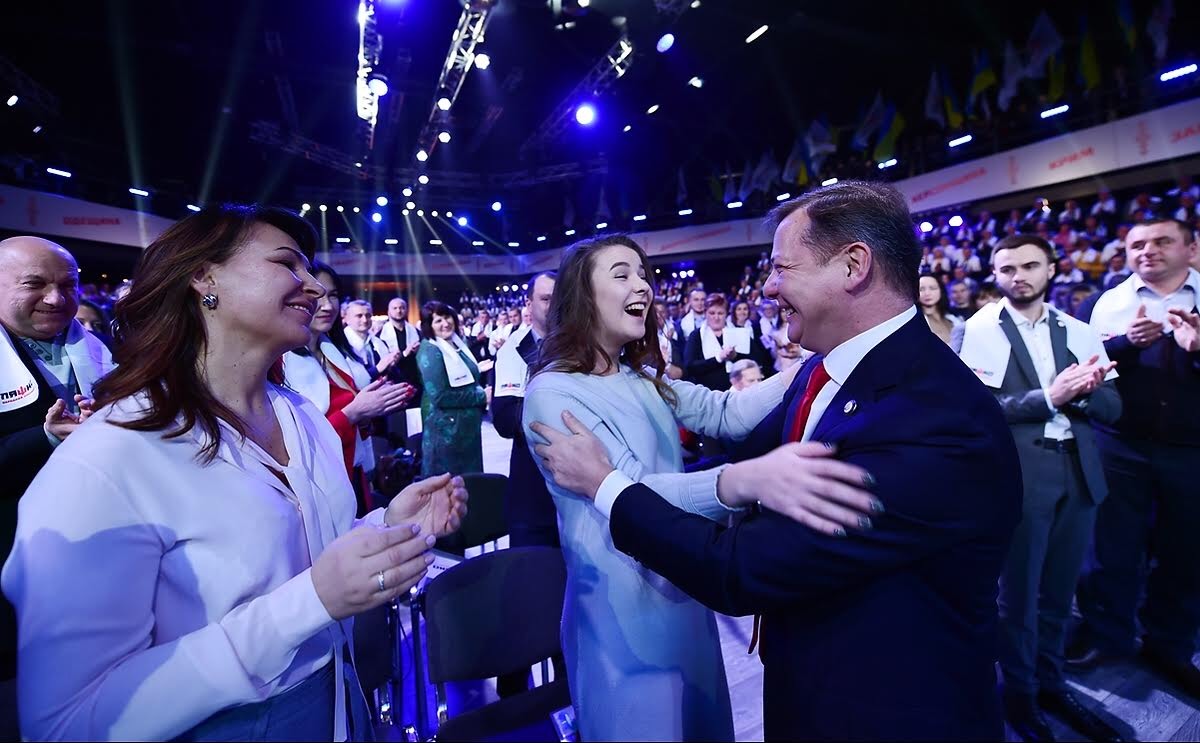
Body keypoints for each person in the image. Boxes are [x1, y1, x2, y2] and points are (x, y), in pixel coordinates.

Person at [529, 182, 1022, 740]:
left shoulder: (935, 419)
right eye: (623, 274)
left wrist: (621, 483)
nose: (767, 286)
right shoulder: (837, 370)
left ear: (853, 266)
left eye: (782, 267)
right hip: (647, 607)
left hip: (878, 710)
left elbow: (740, 544)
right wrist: (736, 479)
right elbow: (737, 455)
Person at [1, 205, 467, 741]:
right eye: (287, 264)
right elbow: (67, 721)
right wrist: (309, 604)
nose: (316, 288)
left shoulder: (301, 417)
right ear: (205, 278)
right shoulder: (109, 455)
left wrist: (386, 526)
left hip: (342, 704)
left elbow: (306, 557)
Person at [520, 234, 869, 741]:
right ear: (582, 295)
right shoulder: (552, 392)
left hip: (681, 583)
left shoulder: (638, 376)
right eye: (621, 275)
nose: (642, 285)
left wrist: (811, 366)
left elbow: (724, 412)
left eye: (643, 274)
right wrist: (743, 480)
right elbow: (632, 492)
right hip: (623, 613)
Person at [958, 234, 1124, 742]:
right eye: (1007, 269)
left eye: (1029, 265)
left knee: (1060, 593)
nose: (1019, 276)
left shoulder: (1078, 329)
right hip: (1022, 475)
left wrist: (1086, 393)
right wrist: (1048, 398)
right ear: (995, 274)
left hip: (1078, 469)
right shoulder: (976, 329)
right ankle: (1020, 694)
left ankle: (1051, 683)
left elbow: (1114, 409)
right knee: (1018, 598)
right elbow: (973, 413)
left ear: (1051, 268)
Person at [1069, 218, 1200, 700]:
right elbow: (1076, 368)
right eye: (1137, 243)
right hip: (1118, 446)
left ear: (1191, 248)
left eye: (1163, 240)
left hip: (1193, 451)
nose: (1148, 250)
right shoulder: (1099, 304)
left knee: (1186, 554)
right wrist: (1126, 343)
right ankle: (1107, 636)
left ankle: (1170, 646)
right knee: (1109, 548)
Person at [0, 236, 116, 737]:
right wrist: (43, 438)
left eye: (68, 285)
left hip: (101, 562)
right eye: (35, 284)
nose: (55, 298)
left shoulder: (101, 349)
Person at [281, 262, 413, 515]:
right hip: (315, 488)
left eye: (332, 295)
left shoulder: (336, 354)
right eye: (315, 294)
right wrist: (354, 412)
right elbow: (291, 446)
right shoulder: (279, 363)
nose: (327, 306)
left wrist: (372, 407)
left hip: (352, 470)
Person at [492, 272, 559, 548]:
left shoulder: (586, 345)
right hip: (534, 489)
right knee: (533, 568)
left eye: (560, 298)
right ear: (529, 305)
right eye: (546, 299)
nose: (555, 305)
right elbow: (505, 419)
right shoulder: (513, 350)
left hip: (584, 494)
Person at [416, 301, 487, 478]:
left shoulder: (457, 343)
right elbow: (440, 396)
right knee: (450, 487)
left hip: (466, 432)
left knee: (470, 486)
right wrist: (481, 396)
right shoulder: (430, 350)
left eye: (447, 317)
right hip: (447, 434)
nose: (445, 323)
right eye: (438, 321)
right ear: (428, 326)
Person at [377, 296, 423, 447]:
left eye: (402, 308)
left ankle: (415, 448)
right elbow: (384, 363)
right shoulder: (381, 336)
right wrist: (405, 353)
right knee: (398, 421)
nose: (399, 311)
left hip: (415, 380)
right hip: (394, 381)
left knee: (416, 421)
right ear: (389, 311)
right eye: (395, 308)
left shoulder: (415, 332)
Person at [683, 293, 750, 391]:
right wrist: (718, 358)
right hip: (708, 391)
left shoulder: (738, 331)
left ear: (726, 314)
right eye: (712, 313)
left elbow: (752, 360)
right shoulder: (696, 335)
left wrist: (735, 356)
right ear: (705, 313)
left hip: (737, 390)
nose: (716, 317)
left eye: (720, 313)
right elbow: (690, 366)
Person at [342, 300, 398, 377]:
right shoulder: (341, 344)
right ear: (347, 319)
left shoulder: (379, 342)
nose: (365, 320)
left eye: (368, 315)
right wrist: (377, 369)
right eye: (359, 316)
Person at [919, 274, 961, 346]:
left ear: (941, 290)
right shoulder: (916, 323)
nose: (927, 293)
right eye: (921, 289)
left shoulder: (953, 318)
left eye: (932, 288)